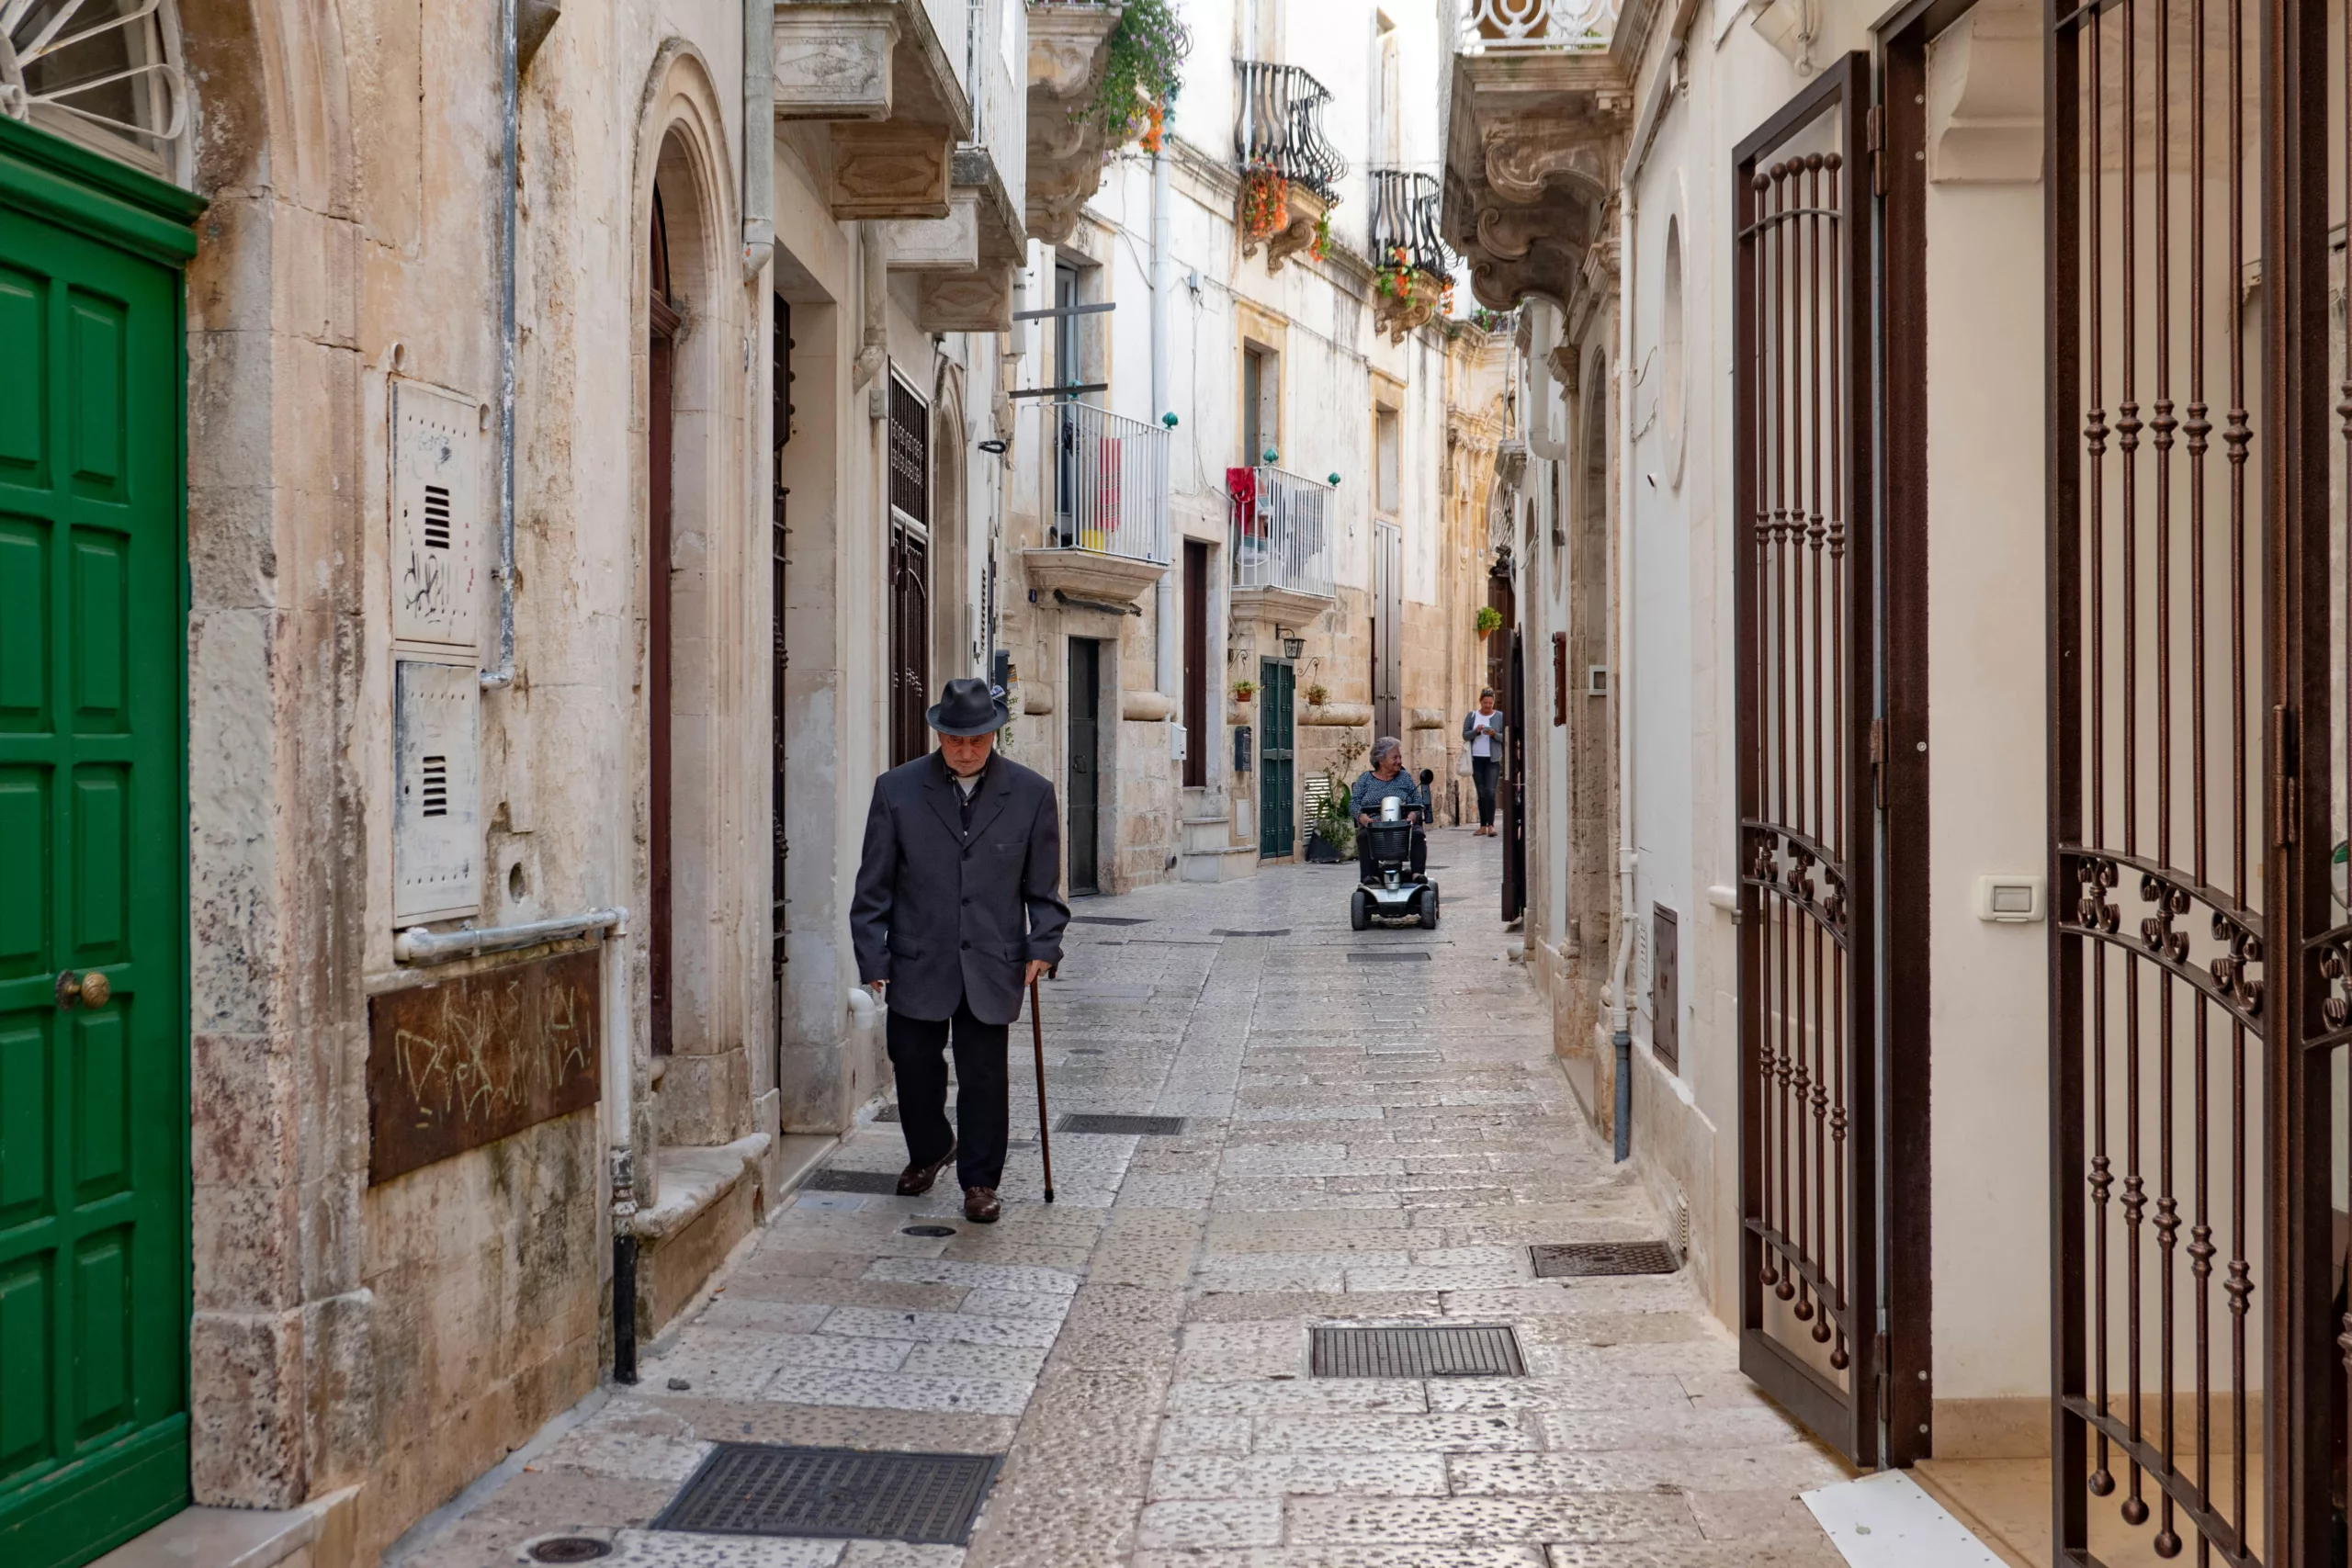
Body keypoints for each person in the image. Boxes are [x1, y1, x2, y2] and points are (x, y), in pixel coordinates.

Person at [851, 676, 1069, 1224]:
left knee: (983, 1075)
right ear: (939, 734)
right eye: (955, 740)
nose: (966, 751)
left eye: (977, 740)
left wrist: (1043, 945)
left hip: (992, 963)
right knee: (913, 1063)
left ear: (994, 734)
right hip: (916, 959)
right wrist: (873, 959)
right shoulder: (895, 790)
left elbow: (1044, 891)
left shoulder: (1032, 794)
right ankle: (930, 1150)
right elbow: (872, 887)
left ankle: (979, 1181)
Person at [1351, 736, 1428, 883]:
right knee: (1363, 836)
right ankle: (1370, 876)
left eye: (1400, 757)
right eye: (1395, 758)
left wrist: (1413, 815)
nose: (1399, 761)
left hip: (1402, 826)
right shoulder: (1366, 779)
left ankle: (1417, 873)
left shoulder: (1404, 777)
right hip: (1375, 826)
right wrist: (1362, 817)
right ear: (1381, 760)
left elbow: (1418, 801)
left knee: (1417, 833)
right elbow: (1354, 803)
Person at [1463, 689, 1505, 836]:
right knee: (1481, 793)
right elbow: (1465, 735)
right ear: (1480, 701)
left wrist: (1495, 734)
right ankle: (1482, 826)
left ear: (1493, 702)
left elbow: (1506, 736)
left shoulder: (1499, 716)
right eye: (1485, 702)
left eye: (1490, 703)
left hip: (1492, 759)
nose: (1488, 705)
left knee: (1490, 792)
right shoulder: (1472, 715)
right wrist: (1476, 731)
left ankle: (1491, 825)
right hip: (1476, 759)